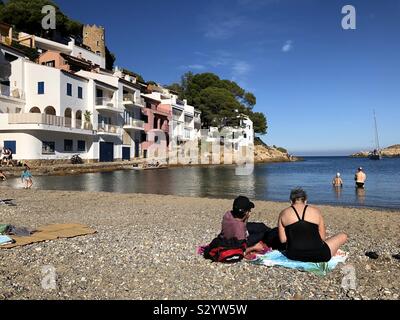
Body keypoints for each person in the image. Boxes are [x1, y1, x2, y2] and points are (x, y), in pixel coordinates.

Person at [277, 188, 348, 262]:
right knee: (343, 236)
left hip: (293, 255)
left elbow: (283, 240)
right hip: (320, 255)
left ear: (291, 201)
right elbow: (322, 238)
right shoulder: (316, 211)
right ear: (305, 201)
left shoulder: (283, 213)